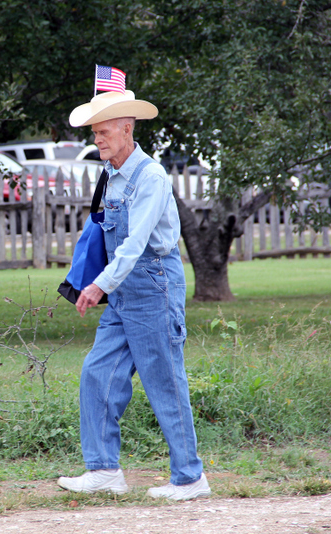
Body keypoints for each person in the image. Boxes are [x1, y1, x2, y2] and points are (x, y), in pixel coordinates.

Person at [57, 90, 211, 501]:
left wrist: (97, 285)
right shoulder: (111, 174)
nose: (98, 140)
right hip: (123, 288)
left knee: (164, 380)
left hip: (153, 286)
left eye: (104, 131)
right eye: (94, 133)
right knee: (97, 373)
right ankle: (104, 471)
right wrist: (105, 282)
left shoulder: (152, 177)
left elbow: (136, 242)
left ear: (127, 129)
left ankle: (190, 478)